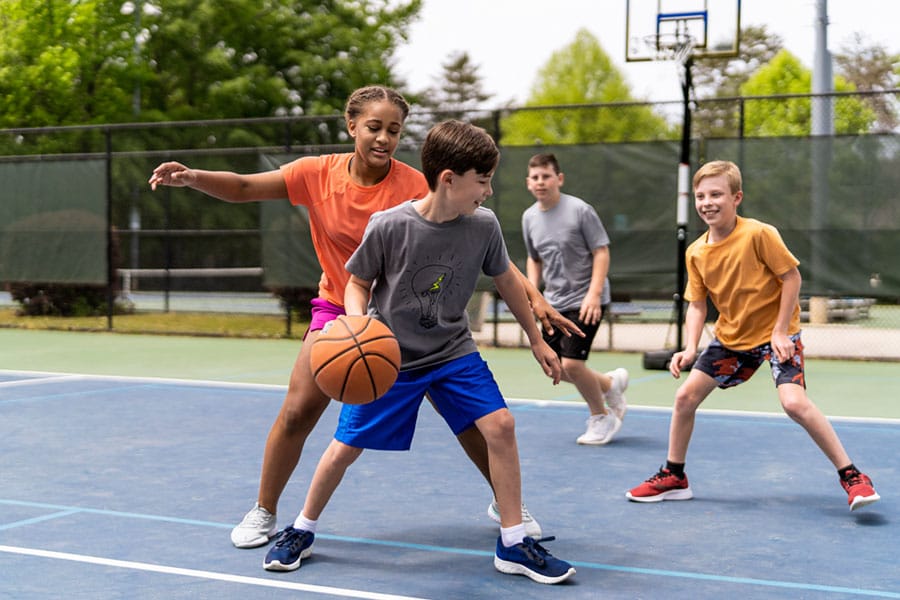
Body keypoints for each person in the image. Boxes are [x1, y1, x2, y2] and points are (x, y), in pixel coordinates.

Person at [148, 86, 573, 548]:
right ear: (352, 126)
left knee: (473, 418)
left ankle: (507, 504)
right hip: (341, 306)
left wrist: (536, 300)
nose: (384, 138)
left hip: (408, 314)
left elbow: (489, 252)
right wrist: (193, 178)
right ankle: (264, 509)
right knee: (299, 409)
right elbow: (247, 187)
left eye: (394, 130)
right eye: (374, 127)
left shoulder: (417, 183)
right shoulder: (317, 174)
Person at [262, 120, 576, 585]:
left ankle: (513, 543)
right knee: (345, 448)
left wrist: (535, 338)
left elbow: (508, 279)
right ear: (449, 179)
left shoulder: (482, 227)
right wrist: (356, 322)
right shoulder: (390, 226)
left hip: (453, 352)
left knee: (501, 426)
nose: (488, 192)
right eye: (483, 180)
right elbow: (358, 283)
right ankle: (301, 528)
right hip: (393, 358)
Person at [625, 160, 880, 512]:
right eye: (700, 196)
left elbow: (792, 278)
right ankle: (674, 476)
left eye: (716, 194)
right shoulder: (696, 252)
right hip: (731, 340)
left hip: (778, 336)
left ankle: (853, 477)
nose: (707, 202)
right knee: (685, 397)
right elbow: (697, 305)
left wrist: (780, 331)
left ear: (736, 197)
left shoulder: (759, 234)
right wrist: (688, 348)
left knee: (794, 403)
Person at [522, 153, 629, 445]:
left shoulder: (580, 210)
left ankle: (601, 417)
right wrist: (534, 294)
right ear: (528, 183)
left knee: (571, 365)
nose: (540, 182)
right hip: (554, 303)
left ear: (559, 179)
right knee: (554, 366)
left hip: (585, 299)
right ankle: (609, 384)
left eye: (546, 176)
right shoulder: (529, 217)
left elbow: (601, 251)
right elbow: (534, 259)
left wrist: (593, 295)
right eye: (535, 177)